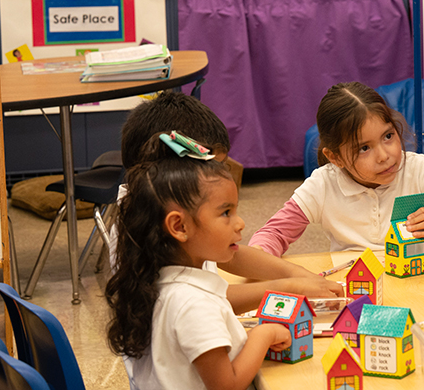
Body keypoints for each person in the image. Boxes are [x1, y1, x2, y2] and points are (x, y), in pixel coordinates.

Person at [113, 91, 343, 312]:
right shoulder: (141, 225)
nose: (240, 222)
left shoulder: (175, 211)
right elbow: (201, 304)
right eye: (225, 213)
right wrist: (288, 288)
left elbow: (234, 256)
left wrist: (297, 275)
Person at [106, 134, 291, 390]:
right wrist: (263, 334)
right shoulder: (193, 303)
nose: (240, 223)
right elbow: (227, 385)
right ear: (179, 226)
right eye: (226, 213)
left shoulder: (156, 283)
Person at [249, 82, 424, 256]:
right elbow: (273, 234)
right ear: (335, 157)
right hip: (356, 291)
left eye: (388, 136)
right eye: (363, 148)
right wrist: (260, 255)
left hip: (419, 285)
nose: (384, 156)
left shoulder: (421, 170)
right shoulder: (322, 184)